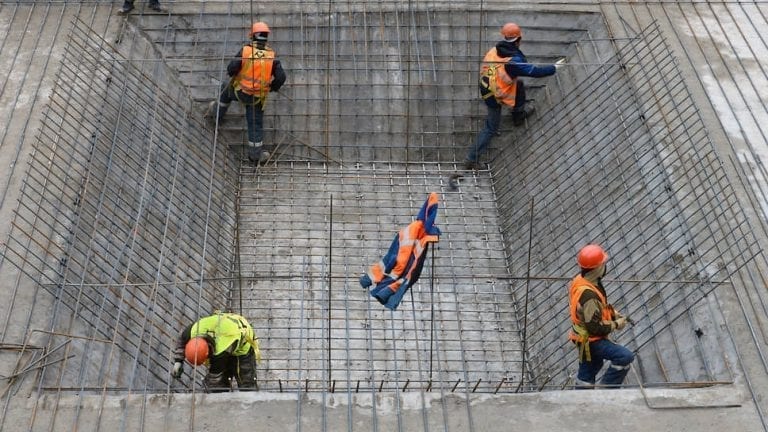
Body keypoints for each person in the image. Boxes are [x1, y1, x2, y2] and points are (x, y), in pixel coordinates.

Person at [464, 22, 565, 170]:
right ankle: (471, 159)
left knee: (519, 86)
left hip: (486, 86)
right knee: (491, 127)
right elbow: (534, 72)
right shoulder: (513, 62)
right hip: (494, 94)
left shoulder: (495, 50)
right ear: (518, 40)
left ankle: (518, 115)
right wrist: (554, 68)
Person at [206, 21, 287, 164]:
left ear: (252, 36)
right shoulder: (271, 56)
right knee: (255, 125)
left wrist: (236, 72)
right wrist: (273, 86)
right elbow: (281, 77)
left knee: (225, 89)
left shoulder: (246, 51)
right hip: (256, 98)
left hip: (240, 92)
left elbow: (232, 68)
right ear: (266, 37)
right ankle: (255, 156)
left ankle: (216, 114)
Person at [567, 244, 635, 388]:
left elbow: (598, 308)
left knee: (589, 371)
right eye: (603, 263)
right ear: (598, 268)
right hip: (591, 340)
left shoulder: (582, 280)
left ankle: (580, 398)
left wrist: (613, 314)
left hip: (580, 337)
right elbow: (595, 328)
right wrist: (617, 324)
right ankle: (606, 391)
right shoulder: (589, 296)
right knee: (624, 357)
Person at [171, 311, 261, 392]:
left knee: (246, 382)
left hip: (241, 342)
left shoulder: (221, 350)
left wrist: (209, 384)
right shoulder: (194, 330)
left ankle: (249, 399)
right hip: (225, 330)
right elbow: (182, 340)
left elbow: (215, 375)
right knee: (219, 386)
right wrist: (178, 361)